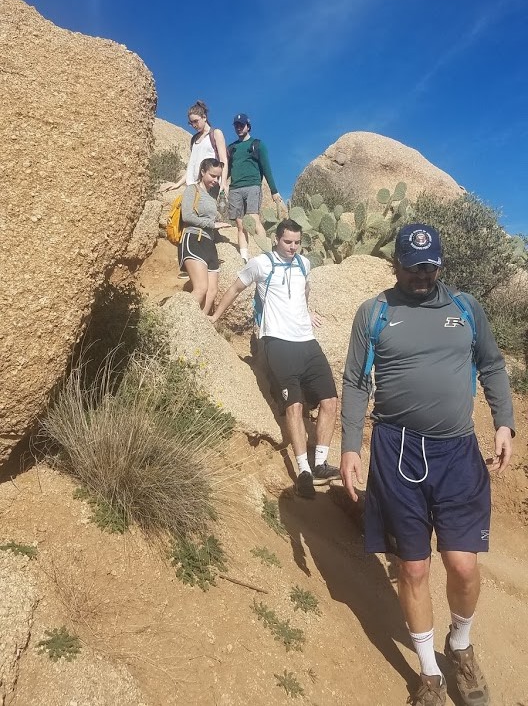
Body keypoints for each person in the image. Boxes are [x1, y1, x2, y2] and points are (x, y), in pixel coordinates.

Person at [340, 223, 514, 706]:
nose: (422, 273)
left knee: (461, 565)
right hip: (396, 453)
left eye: (430, 265)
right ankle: (430, 674)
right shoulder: (374, 312)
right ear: (395, 263)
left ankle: (460, 646)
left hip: (457, 452)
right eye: (413, 265)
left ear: (441, 264)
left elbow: (494, 365)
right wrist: (351, 446)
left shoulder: (466, 308)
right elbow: (356, 381)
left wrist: (504, 422)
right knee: (412, 569)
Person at [210, 218, 341, 497]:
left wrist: (308, 310)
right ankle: (304, 470)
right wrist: (215, 317)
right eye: (287, 242)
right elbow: (235, 288)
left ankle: (320, 463)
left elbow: (304, 289)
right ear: (276, 240)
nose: (293, 247)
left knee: (330, 402)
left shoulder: (304, 264)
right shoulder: (261, 264)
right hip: (277, 342)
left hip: (307, 342)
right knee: (294, 405)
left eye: (297, 242)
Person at [227, 113, 283, 262]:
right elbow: (226, 170)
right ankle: (244, 257)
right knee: (240, 224)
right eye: (236, 125)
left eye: (241, 125)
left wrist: (274, 191)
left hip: (253, 186)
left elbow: (266, 168)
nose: (239, 128)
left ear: (248, 126)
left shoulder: (257, 144)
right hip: (235, 188)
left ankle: (265, 254)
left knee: (254, 220)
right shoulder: (231, 148)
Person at [178, 158, 231, 315]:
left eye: (218, 177)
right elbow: (187, 216)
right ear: (202, 172)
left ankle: (199, 327)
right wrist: (212, 224)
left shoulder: (211, 197)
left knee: (211, 292)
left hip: (209, 244)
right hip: (194, 239)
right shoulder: (192, 190)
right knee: (201, 288)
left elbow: (217, 217)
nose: (215, 180)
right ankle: (178, 323)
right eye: (212, 176)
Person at [170, 101, 228, 192]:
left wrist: (223, 183)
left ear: (204, 117)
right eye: (191, 123)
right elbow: (192, 165)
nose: (194, 125)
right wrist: (178, 184)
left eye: (196, 121)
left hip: (210, 186)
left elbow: (223, 160)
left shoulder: (216, 134)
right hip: (193, 186)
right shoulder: (194, 140)